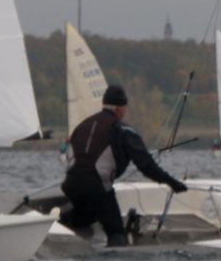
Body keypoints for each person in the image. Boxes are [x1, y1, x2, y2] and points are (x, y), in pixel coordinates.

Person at [60, 84, 188, 247]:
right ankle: (115, 256)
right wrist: (172, 183)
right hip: (97, 188)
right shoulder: (122, 130)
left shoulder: (81, 126)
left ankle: (58, 223)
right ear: (119, 108)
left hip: (70, 186)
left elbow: (70, 158)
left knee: (88, 214)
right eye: (124, 108)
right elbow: (146, 165)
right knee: (116, 233)